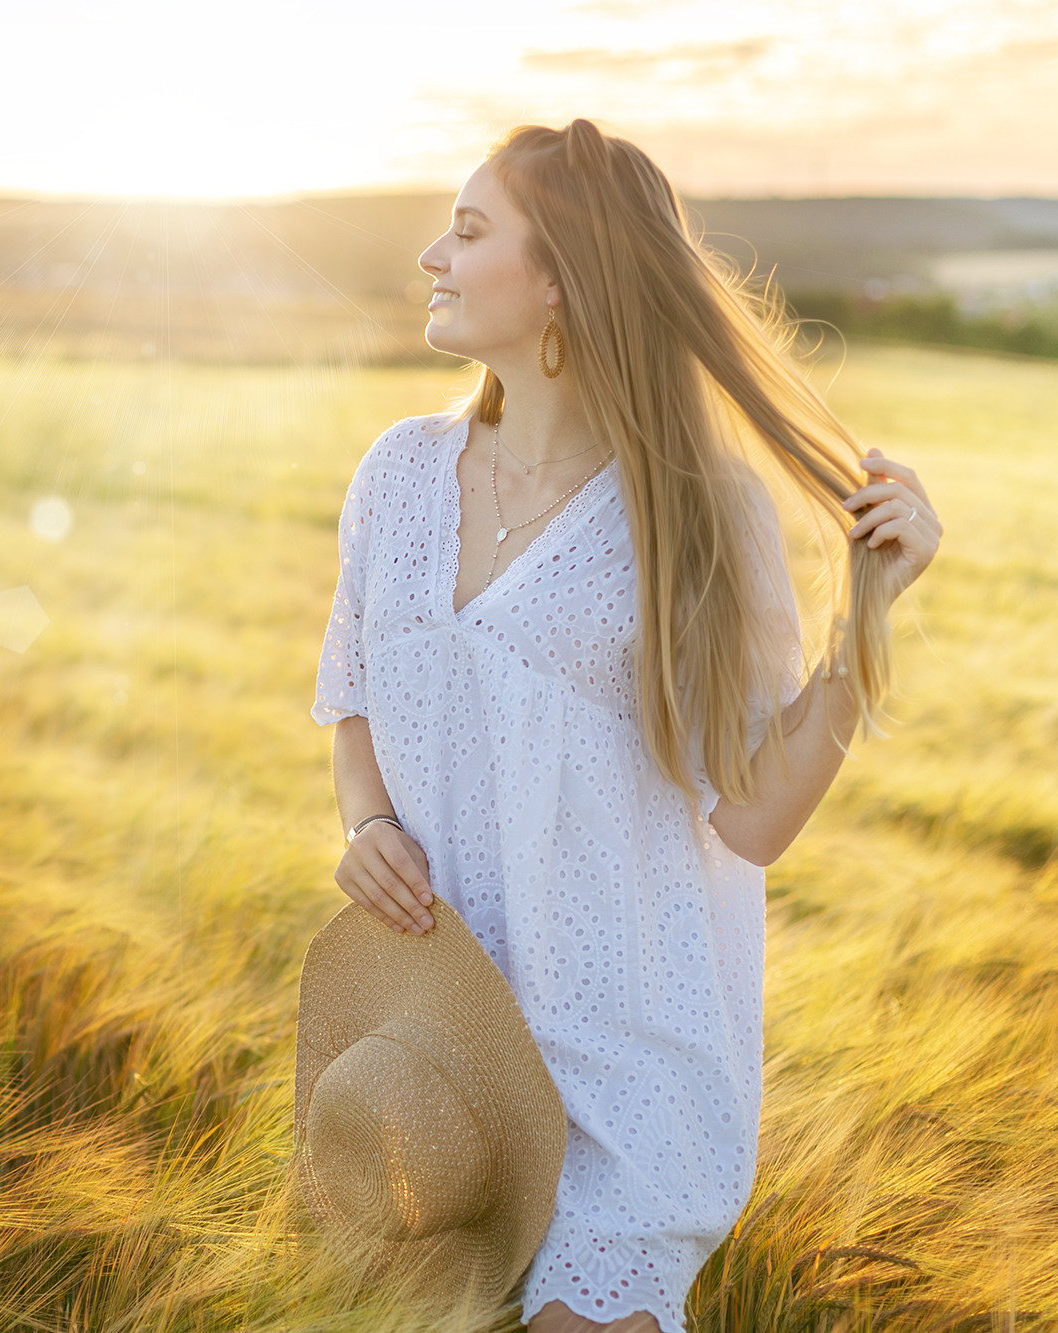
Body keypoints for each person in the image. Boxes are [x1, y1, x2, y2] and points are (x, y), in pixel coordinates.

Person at [309, 120, 941, 1333]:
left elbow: (751, 815)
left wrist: (862, 623)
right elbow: (351, 700)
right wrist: (366, 817)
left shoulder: (693, 516)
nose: (432, 254)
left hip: (620, 1077)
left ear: (562, 277)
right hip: (446, 1062)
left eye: (469, 227)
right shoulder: (396, 476)